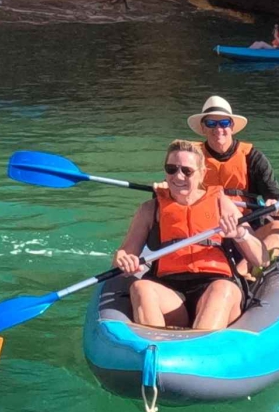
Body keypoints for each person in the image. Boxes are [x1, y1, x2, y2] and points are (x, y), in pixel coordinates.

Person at [113, 140, 266, 330]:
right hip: (170, 291)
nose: (178, 176)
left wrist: (239, 234)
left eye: (187, 171)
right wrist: (123, 259)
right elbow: (125, 253)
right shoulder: (150, 209)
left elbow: (261, 259)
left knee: (222, 290)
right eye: (171, 169)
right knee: (140, 288)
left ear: (202, 173)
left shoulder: (221, 203)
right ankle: (157, 348)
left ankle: (201, 348)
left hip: (215, 284)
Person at [188, 96, 279, 257]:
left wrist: (276, 205)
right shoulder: (191, 157)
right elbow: (173, 190)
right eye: (211, 123)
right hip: (205, 227)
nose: (218, 129)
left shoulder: (253, 157)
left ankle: (245, 269)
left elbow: (274, 195)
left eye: (224, 123)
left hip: (246, 224)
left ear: (232, 126)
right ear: (203, 128)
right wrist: (162, 189)